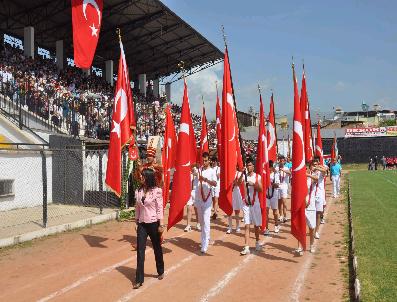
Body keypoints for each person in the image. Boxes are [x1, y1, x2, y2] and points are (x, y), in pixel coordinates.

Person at [134, 168, 165, 289]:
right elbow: (137, 207)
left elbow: (159, 208)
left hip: (153, 223)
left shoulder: (157, 191)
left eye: (143, 176)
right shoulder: (138, 191)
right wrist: (136, 221)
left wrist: (161, 224)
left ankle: (160, 270)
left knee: (157, 247)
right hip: (142, 224)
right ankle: (139, 279)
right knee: (140, 251)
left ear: (148, 177)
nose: (141, 178)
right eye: (141, 176)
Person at [194, 152, 217, 254]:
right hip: (199, 198)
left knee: (206, 221)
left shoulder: (212, 171)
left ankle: (204, 243)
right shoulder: (199, 170)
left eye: (206, 160)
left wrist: (205, 180)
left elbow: (215, 183)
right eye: (203, 160)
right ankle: (205, 237)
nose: (204, 162)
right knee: (201, 221)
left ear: (209, 161)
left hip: (207, 199)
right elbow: (190, 167)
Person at [240, 158, 263, 255]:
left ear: (253, 166)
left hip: (255, 203)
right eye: (247, 165)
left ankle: (257, 242)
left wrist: (253, 184)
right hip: (246, 204)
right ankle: (246, 246)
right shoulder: (244, 176)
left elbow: (261, 189)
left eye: (250, 165)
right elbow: (237, 184)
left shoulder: (257, 176)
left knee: (256, 226)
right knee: (247, 225)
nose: (249, 167)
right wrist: (241, 173)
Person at [305, 161, 320, 253]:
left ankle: (311, 245)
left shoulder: (312, 176)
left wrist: (308, 175)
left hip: (311, 204)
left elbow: (316, 179)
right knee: (301, 226)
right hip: (302, 203)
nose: (315, 167)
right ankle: (300, 245)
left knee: (311, 227)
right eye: (313, 165)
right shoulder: (302, 176)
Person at [312, 156, 328, 240]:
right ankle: (311, 228)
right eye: (313, 164)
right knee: (311, 213)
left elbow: (325, 170)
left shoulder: (320, 172)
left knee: (318, 214)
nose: (314, 166)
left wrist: (317, 168)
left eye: (316, 164)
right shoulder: (310, 172)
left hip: (319, 195)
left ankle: (316, 231)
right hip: (311, 195)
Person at [264, 160, 280, 235]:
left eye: (269, 167)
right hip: (266, 195)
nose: (268, 169)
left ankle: (276, 225)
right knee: (266, 212)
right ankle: (266, 228)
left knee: (275, 212)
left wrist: (270, 183)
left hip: (274, 195)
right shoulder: (264, 174)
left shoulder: (275, 174)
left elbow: (277, 185)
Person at [226, 166, 244, 234]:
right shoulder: (228, 173)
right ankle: (230, 227)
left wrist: (234, 182)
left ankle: (237, 226)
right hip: (229, 192)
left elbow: (239, 184)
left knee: (237, 211)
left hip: (236, 192)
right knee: (229, 210)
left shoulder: (238, 174)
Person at [184, 165, 201, 232]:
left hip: (196, 191)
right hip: (189, 191)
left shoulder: (199, 169)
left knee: (197, 209)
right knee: (189, 207)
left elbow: (200, 176)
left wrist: (195, 173)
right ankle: (188, 225)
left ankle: (198, 223)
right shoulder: (187, 169)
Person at [278, 155, 291, 223]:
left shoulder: (286, 168)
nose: (282, 162)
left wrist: (283, 170)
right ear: (279, 161)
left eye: (283, 161)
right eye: (280, 160)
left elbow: (290, 173)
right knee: (279, 202)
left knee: (284, 202)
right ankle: (281, 215)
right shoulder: (276, 168)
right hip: (278, 186)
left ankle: (285, 216)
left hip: (284, 186)